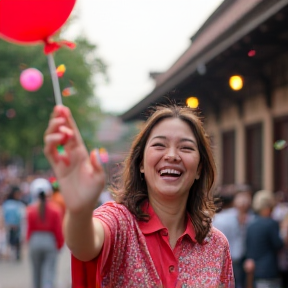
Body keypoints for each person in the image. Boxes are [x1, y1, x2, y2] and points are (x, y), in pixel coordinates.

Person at [44, 104, 235, 287]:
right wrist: (80, 210)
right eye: (159, 145)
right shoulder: (120, 224)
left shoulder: (216, 245)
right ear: (141, 163)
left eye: (186, 148)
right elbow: (83, 244)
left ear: (199, 169)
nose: (172, 155)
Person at [244, 190, 286, 288]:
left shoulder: (250, 224)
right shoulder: (271, 223)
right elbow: (278, 244)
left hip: (255, 270)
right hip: (270, 269)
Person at [26, 178, 64, 288]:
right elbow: (58, 229)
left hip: (35, 241)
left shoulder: (30, 209)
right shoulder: (55, 209)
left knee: (36, 272)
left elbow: (29, 229)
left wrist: (29, 242)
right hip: (50, 241)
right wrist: (60, 244)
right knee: (49, 272)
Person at [2, 185, 26, 260]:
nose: (18, 195)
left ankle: (17, 255)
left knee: (17, 241)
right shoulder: (7, 203)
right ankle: (7, 255)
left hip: (17, 226)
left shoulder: (20, 204)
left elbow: (22, 216)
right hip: (8, 226)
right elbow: (3, 215)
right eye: (16, 193)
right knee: (8, 241)